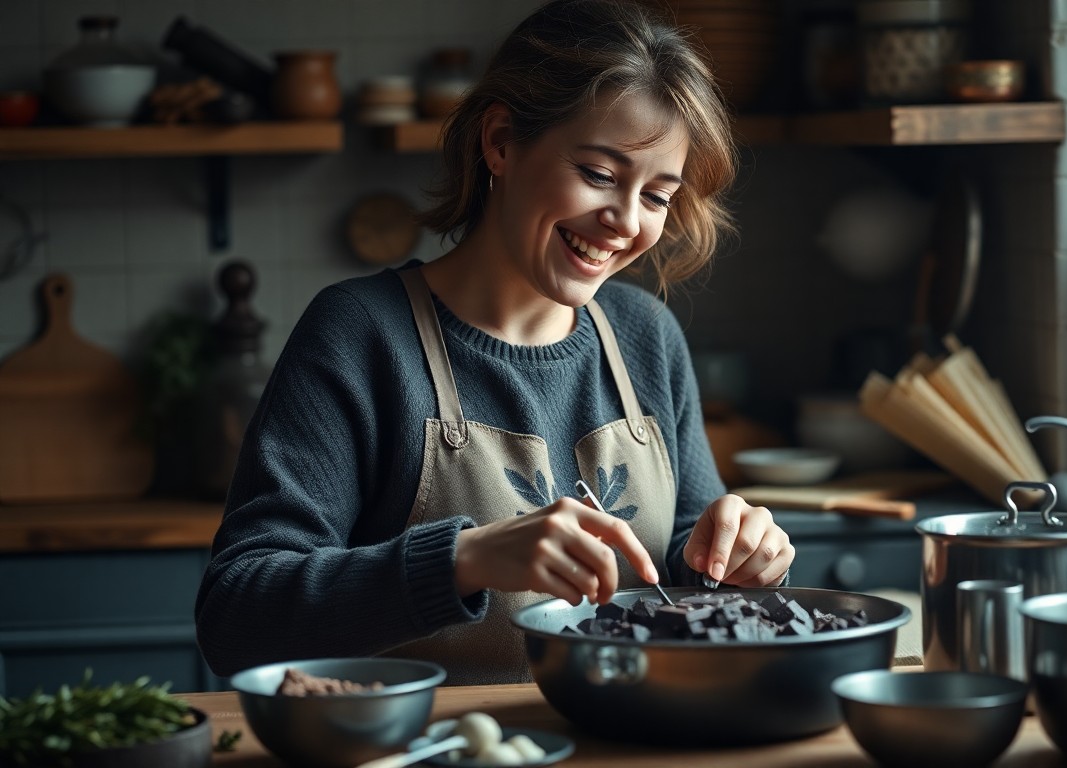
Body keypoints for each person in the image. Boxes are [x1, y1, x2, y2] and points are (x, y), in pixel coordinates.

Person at [195, 0, 794, 685]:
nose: (626, 222)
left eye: (657, 196)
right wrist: (462, 561)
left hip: (626, 737)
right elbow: (235, 617)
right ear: (501, 142)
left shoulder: (645, 336)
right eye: (599, 175)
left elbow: (689, 566)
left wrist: (739, 557)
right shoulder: (360, 334)